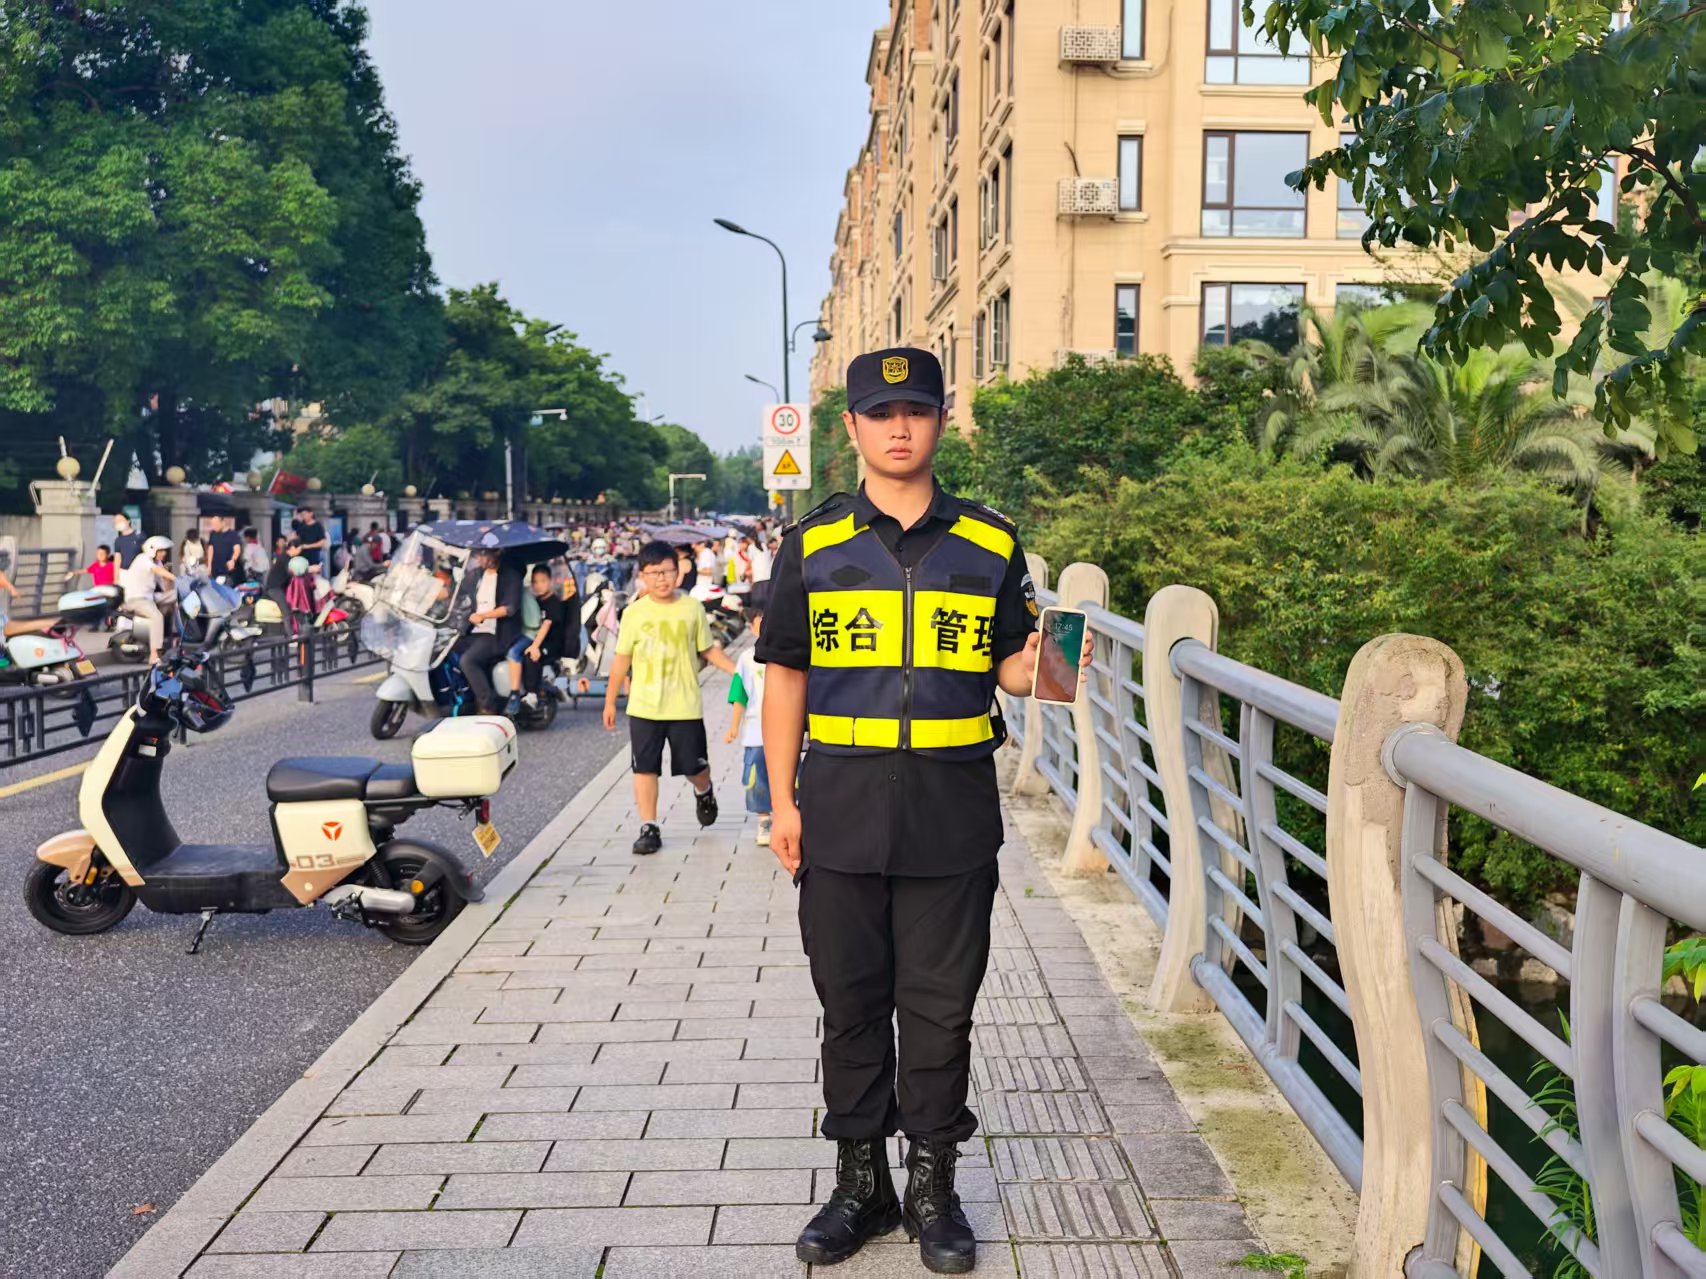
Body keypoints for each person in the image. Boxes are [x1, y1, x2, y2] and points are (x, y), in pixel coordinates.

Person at [758, 347, 1086, 1274]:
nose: (899, 427)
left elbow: (1012, 663)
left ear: (943, 419)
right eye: (880, 412)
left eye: (916, 410)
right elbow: (785, 676)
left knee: (942, 1010)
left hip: (951, 815)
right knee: (851, 1004)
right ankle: (860, 1185)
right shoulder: (812, 545)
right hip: (840, 810)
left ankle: (934, 1190)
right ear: (853, 427)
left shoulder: (991, 543)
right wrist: (780, 802)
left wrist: (1050, 662)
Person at [601, 540, 737, 855]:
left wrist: (738, 671)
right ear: (642, 576)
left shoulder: (692, 608)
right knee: (644, 768)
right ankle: (649, 826)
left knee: (694, 767)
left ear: (679, 572)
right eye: (654, 573)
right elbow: (621, 659)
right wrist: (610, 701)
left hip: (684, 705)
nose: (661, 579)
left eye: (667, 571)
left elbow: (707, 649)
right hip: (644, 706)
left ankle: (704, 791)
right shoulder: (633, 613)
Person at [723, 605, 773, 847]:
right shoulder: (746, 659)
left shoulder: (790, 654)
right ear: (752, 628)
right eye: (760, 624)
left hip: (785, 730)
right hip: (755, 731)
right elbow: (739, 694)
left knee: (792, 776)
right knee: (757, 776)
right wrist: (734, 726)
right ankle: (764, 820)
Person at [455, 548, 521, 714]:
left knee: (468, 661)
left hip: (497, 634)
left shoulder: (510, 576)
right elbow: (458, 594)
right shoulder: (475, 575)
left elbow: (509, 608)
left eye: (483, 554)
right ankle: (463, 698)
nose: (479, 559)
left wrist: (483, 616)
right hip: (473, 631)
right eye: (477, 555)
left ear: (496, 553)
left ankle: (488, 705)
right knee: (447, 651)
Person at [506, 565, 578, 715]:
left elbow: (546, 624)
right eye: (535, 582)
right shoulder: (536, 601)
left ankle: (532, 693)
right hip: (539, 640)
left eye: (542, 581)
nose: (538, 585)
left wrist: (535, 646)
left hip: (551, 644)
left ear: (549, 581)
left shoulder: (553, 603)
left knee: (530, 656)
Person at [120, 535, 178, 662]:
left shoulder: (157, 563)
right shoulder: (143, 559)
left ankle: (174, 636)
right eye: (161, 550)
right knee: (157, 617)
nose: (164, 553)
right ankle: (154, 655)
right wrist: (176, 578)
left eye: (165, 550)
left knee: (178, 594)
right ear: (152, 550)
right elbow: (157, 570)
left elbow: (164, 587)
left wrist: (177, 585)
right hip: (137, 599)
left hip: (150, 597)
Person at [208, 516, 243, 584]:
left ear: (223, 522)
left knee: (227, 587)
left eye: (215, 524)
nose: (213, 527)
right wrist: (209, 566)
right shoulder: (213, 534)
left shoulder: (233, 534)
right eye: (212, 524)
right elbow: (210, 549)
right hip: (215, 568)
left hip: (228, 569)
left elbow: (237, 549)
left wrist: (233, 560)